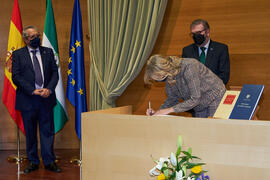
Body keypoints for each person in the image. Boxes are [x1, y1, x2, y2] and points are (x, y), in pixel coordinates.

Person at [12, 26, 61, 173]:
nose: (37, 39)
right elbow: (16, 76)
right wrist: (32, 90)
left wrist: (49, 89)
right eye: (33, 37)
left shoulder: (48, 52)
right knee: (31, 132)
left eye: (38, 35)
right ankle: (33, 161)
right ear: (26, 39)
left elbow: (54, 73)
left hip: (46, 98)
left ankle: (49, 162)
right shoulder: (18, 54)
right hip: (28, 99)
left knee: (47, 132)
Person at [144, 55, 225, 118]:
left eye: (159, 77)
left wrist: (169, 110)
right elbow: (172, 99)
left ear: (164, 70)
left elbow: (195, 98)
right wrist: (157, 112)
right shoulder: (168, 75)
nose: (159, 81)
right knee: (202, 131)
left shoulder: (189, 66)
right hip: (199, 104)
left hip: (215, 96)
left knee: (213, 129)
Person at [182, 19, 230, 85]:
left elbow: (224, 76)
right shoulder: (187, 51)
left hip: (215, 91)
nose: (195, 36)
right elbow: (184, 76)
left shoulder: (221, 49)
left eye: (198, 33)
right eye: (193, 34)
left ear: (207, 32)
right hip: (194, 92)